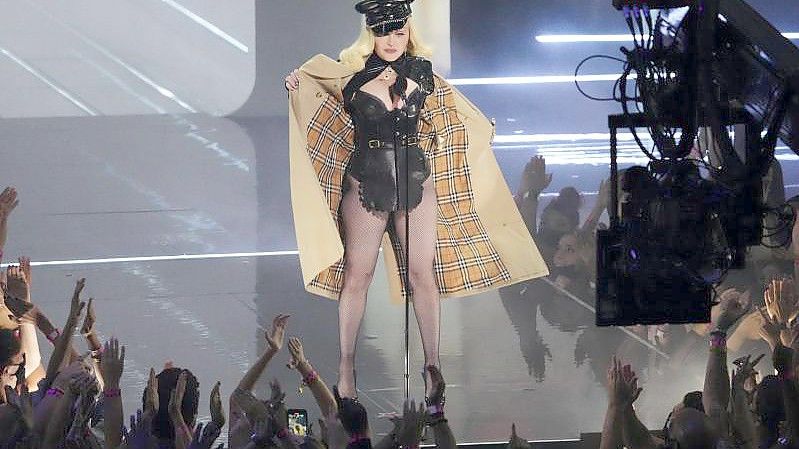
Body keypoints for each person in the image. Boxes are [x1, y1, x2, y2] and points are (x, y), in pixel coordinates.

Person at [286, 0, 547, 400]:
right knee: (358, 277)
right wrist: (296, 85)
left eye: (400, 31)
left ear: (409, 33)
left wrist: (480, 130)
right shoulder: (350, 74)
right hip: (366, 180)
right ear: (370, 32)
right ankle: (346, 365)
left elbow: (449, 113)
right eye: (384, 31)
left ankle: (432, 365)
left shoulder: (421, 72)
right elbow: (319, 91)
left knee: (423, 277)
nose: (392, 40)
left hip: (415, 179)